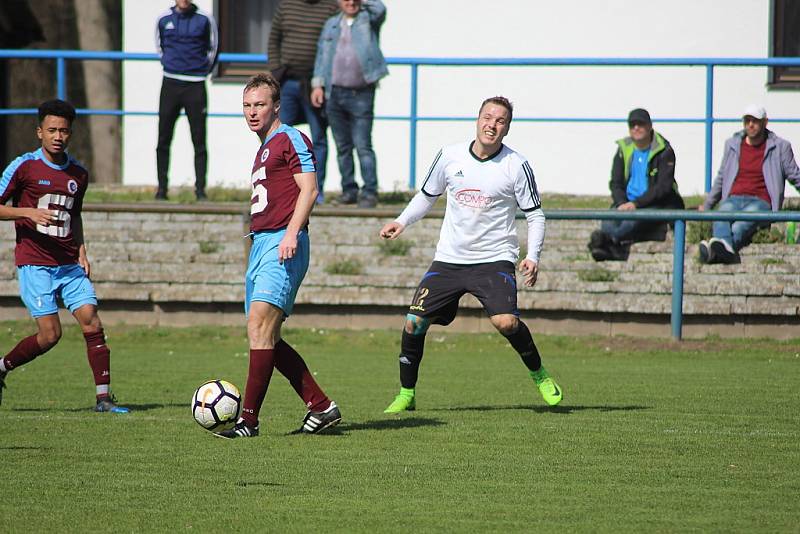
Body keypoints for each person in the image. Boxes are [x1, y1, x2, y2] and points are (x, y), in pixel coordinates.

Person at [379, 96, 563, 413]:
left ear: (507, 128)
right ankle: (406, 394)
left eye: (500, 120)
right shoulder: (449, 156)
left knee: (506, 323)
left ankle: (539, 374)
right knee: (413, 322)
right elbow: (427, 196)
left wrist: (532, 255)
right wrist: (401, 221)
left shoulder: (516, 165)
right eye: (487, 117)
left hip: (494, 259)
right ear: (477, 119)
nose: (492, 124)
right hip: (450, 259)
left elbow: (535, 215)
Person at [218, 73, 341, 439]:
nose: (252, 112)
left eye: (260, 105)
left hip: (282, 243)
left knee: (260, 327)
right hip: (261, 244)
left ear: (276, 106)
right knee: (263, 334)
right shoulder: (263, 148)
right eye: (247, 106)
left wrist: (291, 232)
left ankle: (248, 422)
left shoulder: (291, 137)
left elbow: (310, 188)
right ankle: (321, 406)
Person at [0, 100, 128, 413]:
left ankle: (103, 399)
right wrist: (28, 212)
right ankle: (2, 367)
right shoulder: (23, 167)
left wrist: (83, 251)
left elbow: (76, 215)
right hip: (35, 263)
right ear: (39, 132)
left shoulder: (78, 174)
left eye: (64, 130)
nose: (58, 136)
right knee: (50, 334)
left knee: (91, 320)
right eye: (52, 129)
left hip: (69, 264)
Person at [311, 0, 389, 208]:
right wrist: (317, 85)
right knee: (342, 146)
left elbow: (380, 9)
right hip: (334, 93)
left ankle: (370, 191)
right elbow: (321, 56)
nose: (351, 2)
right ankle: (349, 190)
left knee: (363, 145)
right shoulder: (331, 24)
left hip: (361, 93)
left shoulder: (368, 19)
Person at [699, 105, 800, 264]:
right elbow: (722, 176)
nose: (750, 125)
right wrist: (708, 204)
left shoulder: (780, 146)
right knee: (721, 215)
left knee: (740, 226)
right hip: (733, 198)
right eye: (747, 121)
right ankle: (724, 253)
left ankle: (714, 252)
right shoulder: (732, 144)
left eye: (755, 121)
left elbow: (794, 175)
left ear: (765, 122)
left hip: (761, 200)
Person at [588, 108, 684, 261]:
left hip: (656, 203)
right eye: (632, 125)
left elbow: (663, 188)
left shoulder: (664, 150)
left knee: (628, 224)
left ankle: (604, 244)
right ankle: (608, 246)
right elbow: (615, 182)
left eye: (641, 124)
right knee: (607, 221)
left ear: (650, 125)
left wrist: (636, 204)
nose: (636, 128)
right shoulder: (623, 148)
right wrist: (622, 202)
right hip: (627, 203)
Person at [267, 0, 339, 204]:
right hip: (287, 81)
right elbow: (274, 39)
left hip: (316, 84)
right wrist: (275, 69)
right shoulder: (287, 6)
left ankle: (316, 191)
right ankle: (282, 190)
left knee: (318, 138)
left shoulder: (330, 6)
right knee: (279, 138)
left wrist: (323, 79)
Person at [155, 0, 218, 201]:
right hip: (170, 83)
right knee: (163, 138)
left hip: (195, 85)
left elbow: (214, 49)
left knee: (199, 140)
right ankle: (162, 189)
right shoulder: (163, 18)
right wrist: (171, 66)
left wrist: (199, 71)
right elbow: (160, 47)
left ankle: (200, 190)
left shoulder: (205, 19)